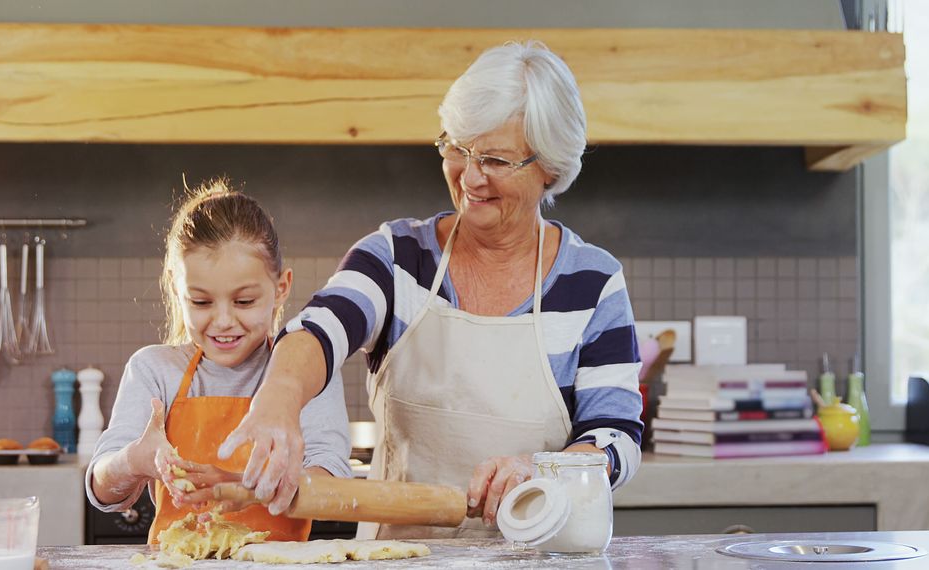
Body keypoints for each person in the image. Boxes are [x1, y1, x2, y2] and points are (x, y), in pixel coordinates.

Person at [220, 40, 644, 539]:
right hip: (400, 557)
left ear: (549, 167)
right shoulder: (398, 257)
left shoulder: (593, 283)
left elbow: (616, 437)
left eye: (494, 159)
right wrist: (279, 397)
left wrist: (545, 471)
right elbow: (320, 329)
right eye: (458, 149)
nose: (470, 176)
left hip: (538, 555)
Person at [85, 180, 351, 544]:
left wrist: (241, 489)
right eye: (201, 302)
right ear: (176, 291)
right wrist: (132, 460)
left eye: (243, 302)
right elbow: (103, 492)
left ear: (281, 288)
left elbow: (331, 487)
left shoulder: (307, 371)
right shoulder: (155, 370)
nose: (223, 321)